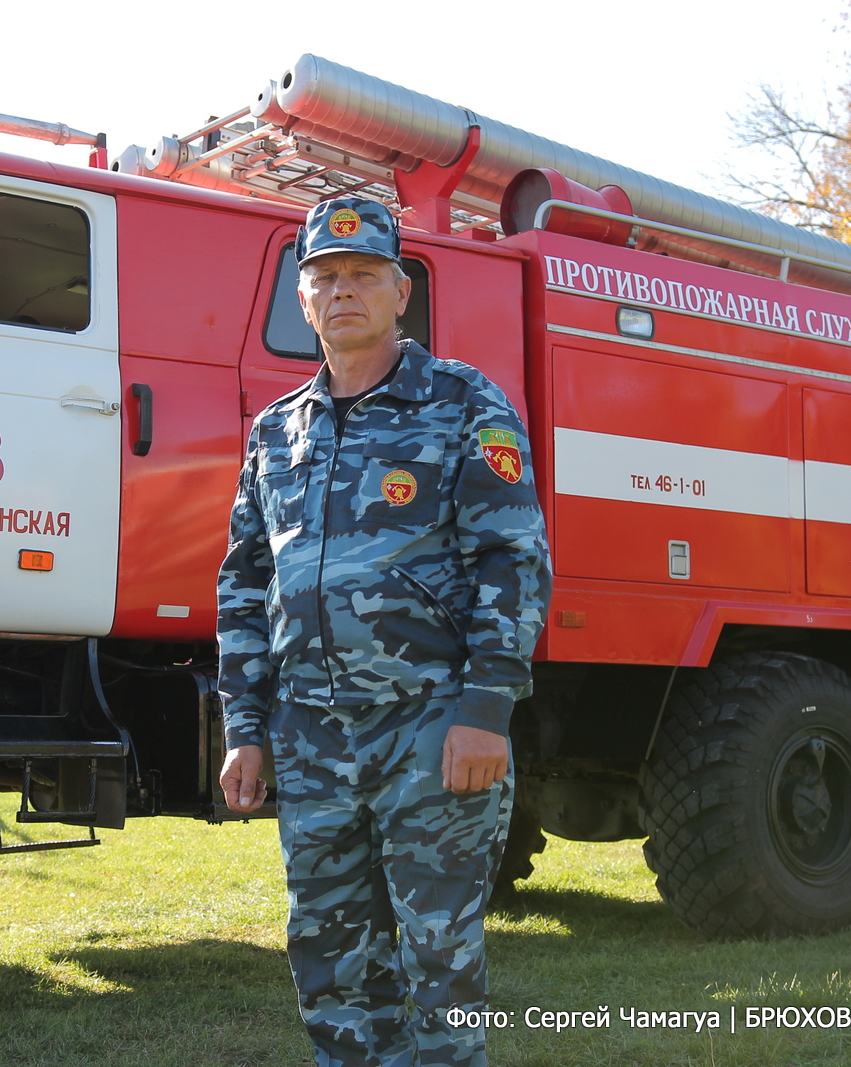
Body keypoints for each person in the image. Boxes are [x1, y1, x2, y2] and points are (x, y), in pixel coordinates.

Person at [216, 196, 550, 1067]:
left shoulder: (464, 404)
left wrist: (484, 708)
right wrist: (245, 729)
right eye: (325, 277)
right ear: (302, 298)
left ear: (402, 293)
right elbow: (247, 584)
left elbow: (513, 561)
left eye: (365, 275)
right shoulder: (275, 433)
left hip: (431, 728)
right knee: (328, 959)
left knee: (437, 957)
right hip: (312, 737)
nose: (344, 292)